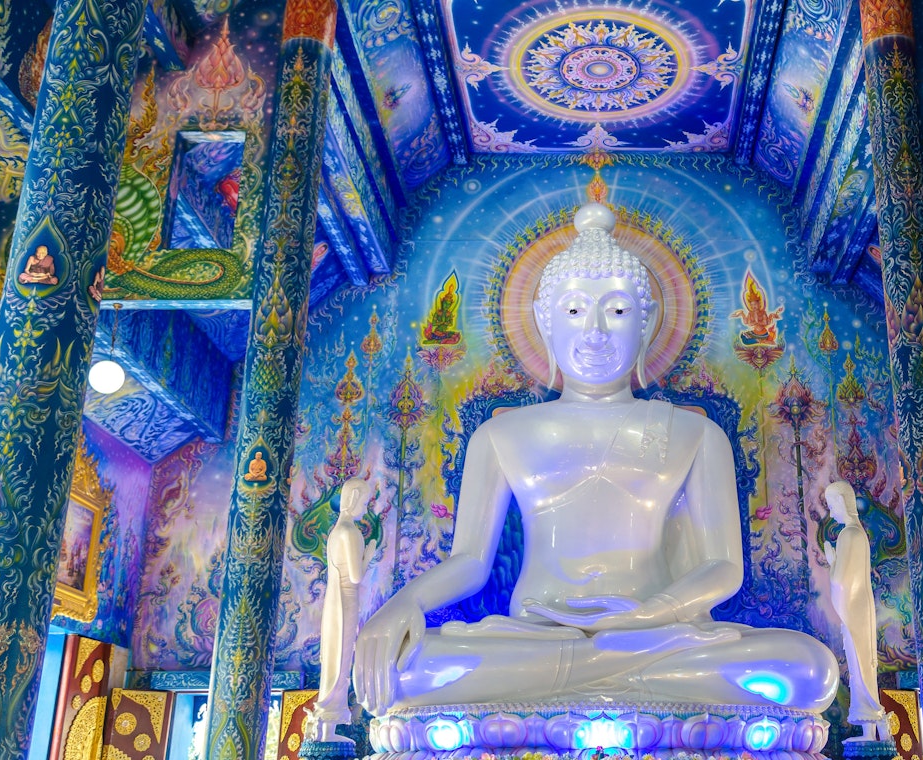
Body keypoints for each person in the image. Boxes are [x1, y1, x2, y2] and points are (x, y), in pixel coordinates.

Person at [353, 203, 838, 716]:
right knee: (407, 669)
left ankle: (589, 676)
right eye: (574, 311)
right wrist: (402, 604)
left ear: (647, 325)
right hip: (534, 636)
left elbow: (723, 568)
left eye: (619, 311)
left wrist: (651, 613)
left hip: (658, 635)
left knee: (808, 669)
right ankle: (616, 681)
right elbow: (470, 562)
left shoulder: (696, 433)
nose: (596, 332)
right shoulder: (500, 435)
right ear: (545, 324)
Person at [308, 477, 374, 743]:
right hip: (346, 601)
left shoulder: (336, 533)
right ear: (353, 499)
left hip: (336, 601)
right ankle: (327, 721)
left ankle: (326, 728)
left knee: (336, 659)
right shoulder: (350, 533)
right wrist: (369, 553)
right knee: (341, 660)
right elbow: (356, 577)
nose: (365, 508)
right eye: (365, 502)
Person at [822, 481, 888, 741]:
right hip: (861, 606)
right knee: (862, 664)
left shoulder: (848, 535)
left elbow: (840, 580)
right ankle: (873, 728)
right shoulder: (858, 534)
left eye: (832, 506)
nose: (831, 513)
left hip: (854, 608)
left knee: (860, 666)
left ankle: (872, 723)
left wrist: (832, 562)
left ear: (841, 502)